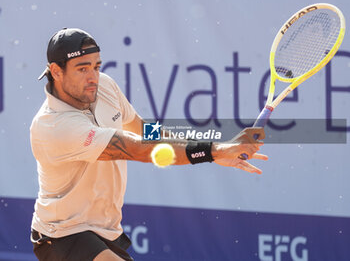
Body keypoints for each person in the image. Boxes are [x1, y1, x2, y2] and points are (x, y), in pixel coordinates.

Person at [30, 28, 267, 261]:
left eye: (96, 66)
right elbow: (139, 148)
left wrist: (211, 150)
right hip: (61, 234)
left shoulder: (104, 86)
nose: (93, 77)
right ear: (56, 71)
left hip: (105, 231)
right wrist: (213, 150)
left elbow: (145, 130)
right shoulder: (54, 126)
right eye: (82, 69)